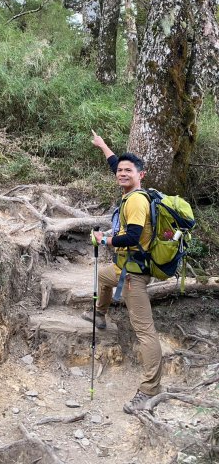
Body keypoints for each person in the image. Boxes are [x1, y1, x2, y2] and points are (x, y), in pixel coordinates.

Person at [83, 130, 163, 414]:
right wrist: (102, 145)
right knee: (101, 276)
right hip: (121, 270)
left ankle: (150, 390)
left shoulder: (137, 201)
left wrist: (103, 239)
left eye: (128, 170)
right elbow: (115, 163)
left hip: (133, 277)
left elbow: (131, 237)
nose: (121, 173)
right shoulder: (128, 191)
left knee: (145, 333)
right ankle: (100, 315)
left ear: (141, 174)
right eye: (120, 170)